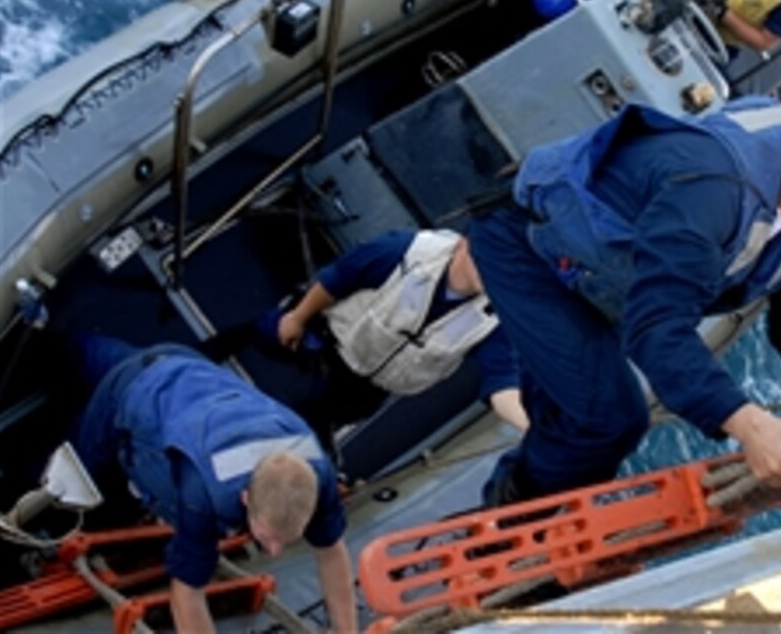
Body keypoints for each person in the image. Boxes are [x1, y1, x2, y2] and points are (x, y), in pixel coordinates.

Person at [469, 95, 781, 506]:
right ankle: (510, 534)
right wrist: (749, 424)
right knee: (607, 417)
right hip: (531, 249)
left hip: (608, 276)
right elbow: (656, 328)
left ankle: (512, 522)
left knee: (573, 422)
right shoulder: (714, 189)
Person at [67, 334, 357, 633]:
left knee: (91, 347)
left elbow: (332, 552)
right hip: (129, 390)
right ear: (244, 498)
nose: (274, 552)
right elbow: (187, 594)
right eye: (269, 537)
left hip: (188, 368)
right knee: (75, 472)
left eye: (284, 540)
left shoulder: (316, 473)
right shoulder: (202, 493)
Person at [275, 228, 528, 432]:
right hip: (322, 348)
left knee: (309, 424)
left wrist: (530, 428)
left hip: (366, 390)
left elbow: (502, 381)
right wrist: (298, 317)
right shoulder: (407, 250)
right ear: (465, 243)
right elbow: (339, 278)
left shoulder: (494, 319)